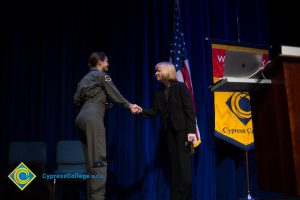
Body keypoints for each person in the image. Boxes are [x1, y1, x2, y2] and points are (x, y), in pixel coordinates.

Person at [74, 52, 139, 200]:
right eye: (107, 62)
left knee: (90, 163)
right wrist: (128, 105)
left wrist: (100, 104)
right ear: (100, 62)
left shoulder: (83, 79)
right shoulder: (102, 76)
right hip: (93, 119)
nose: (108, 65)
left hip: (81, 119)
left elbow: (76, 101)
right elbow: (114, 92)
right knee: (98, 162)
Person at [135, 62, 197, 200]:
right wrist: (141, 110)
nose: (155, 73)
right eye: (155, 71)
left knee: (184, 171)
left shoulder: (180, 87)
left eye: (158, 71)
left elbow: (190, 112)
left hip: (183, 133)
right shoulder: (159, 93)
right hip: (170, 134)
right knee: (174, 170)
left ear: (167, 71)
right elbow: (154, 111)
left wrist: (191, 132)